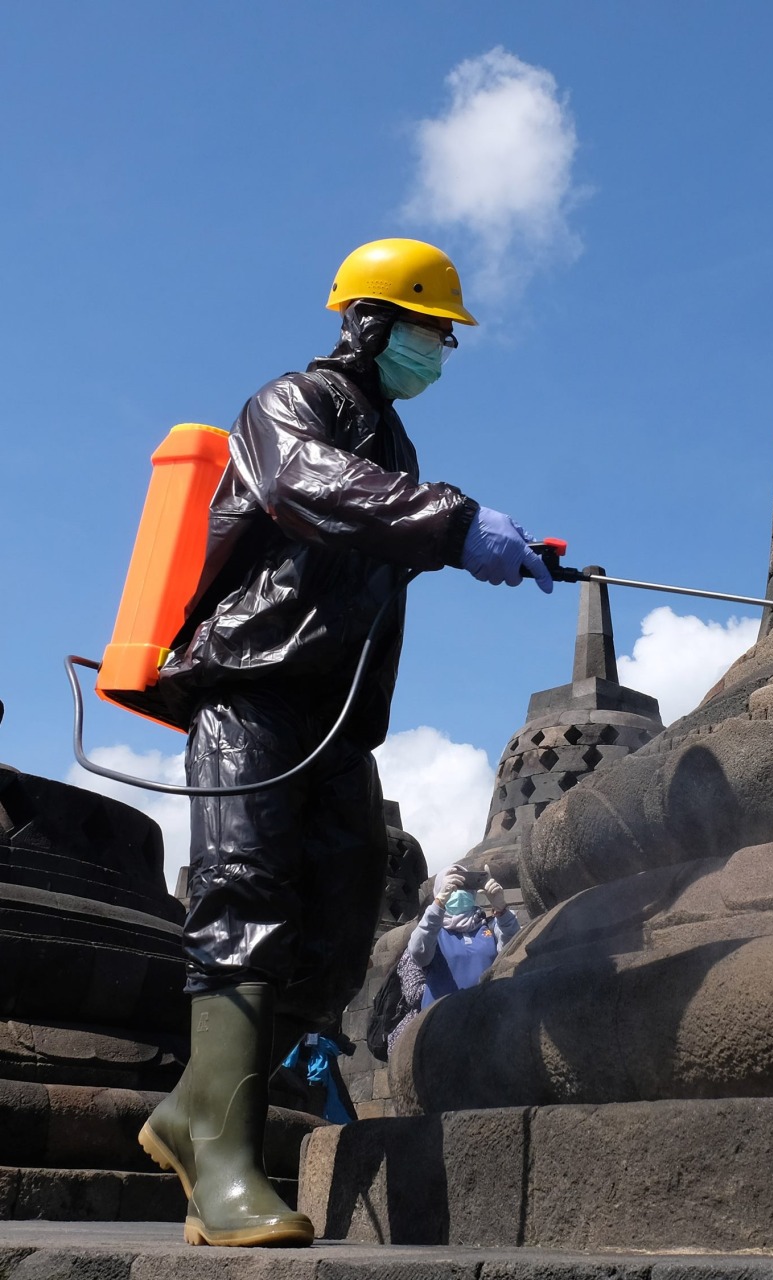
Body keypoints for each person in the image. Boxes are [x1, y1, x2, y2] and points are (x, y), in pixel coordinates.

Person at [134, 238, 553, 1249]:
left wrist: (484, 547)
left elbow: (375, 527)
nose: (440, 349)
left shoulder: (393, 448)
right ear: (371, 321)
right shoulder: (290, 405)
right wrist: (453, 525)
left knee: (332, 927)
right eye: (430, 328)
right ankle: (223, 1164)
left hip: (333, 715)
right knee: (244, 892)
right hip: (253, 687)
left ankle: (194, 1113)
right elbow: (301, 487)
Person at [388, 865, 520, 1053]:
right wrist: (439, 903)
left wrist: (501, 908)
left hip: (488, 1025)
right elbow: (418, 951)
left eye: (465, 885)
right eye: (454, 886)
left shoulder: (488, 926)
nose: (459, 892)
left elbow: (513, 948)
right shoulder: (433, 931)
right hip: (440, 1028)